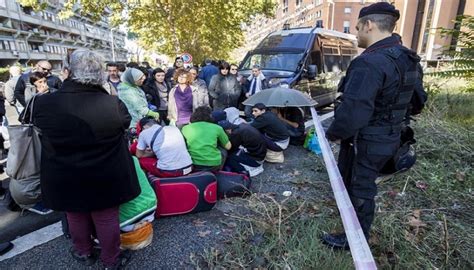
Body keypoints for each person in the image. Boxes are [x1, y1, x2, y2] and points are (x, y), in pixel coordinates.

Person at [322, 2, 426, 249]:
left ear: (369, 25)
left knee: (359, 189)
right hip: (393, 137)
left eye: (357, 28)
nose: (356, 33)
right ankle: (356, 233)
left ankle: (355, 241)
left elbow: (354, 112)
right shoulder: (408, 58)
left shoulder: (369, 62)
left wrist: (333, 134)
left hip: (365, 142)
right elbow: (419, 101)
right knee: (365, 187)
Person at [31, 49, 139, 268]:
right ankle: (111, 260)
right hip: (106, 173)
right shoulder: (112, 104)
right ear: (100, 75)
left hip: (65, 173)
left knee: (75, 214)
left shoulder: (44, 104)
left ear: (67, 72)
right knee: (106, 216)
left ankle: (83, 252)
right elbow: (125, 123)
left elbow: (40, 127)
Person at [181, 106, 231, 172]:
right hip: (214, 165)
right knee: (223, 150)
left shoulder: (185, 128)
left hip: (193, 164)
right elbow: (228, 147)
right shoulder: (217, 128)